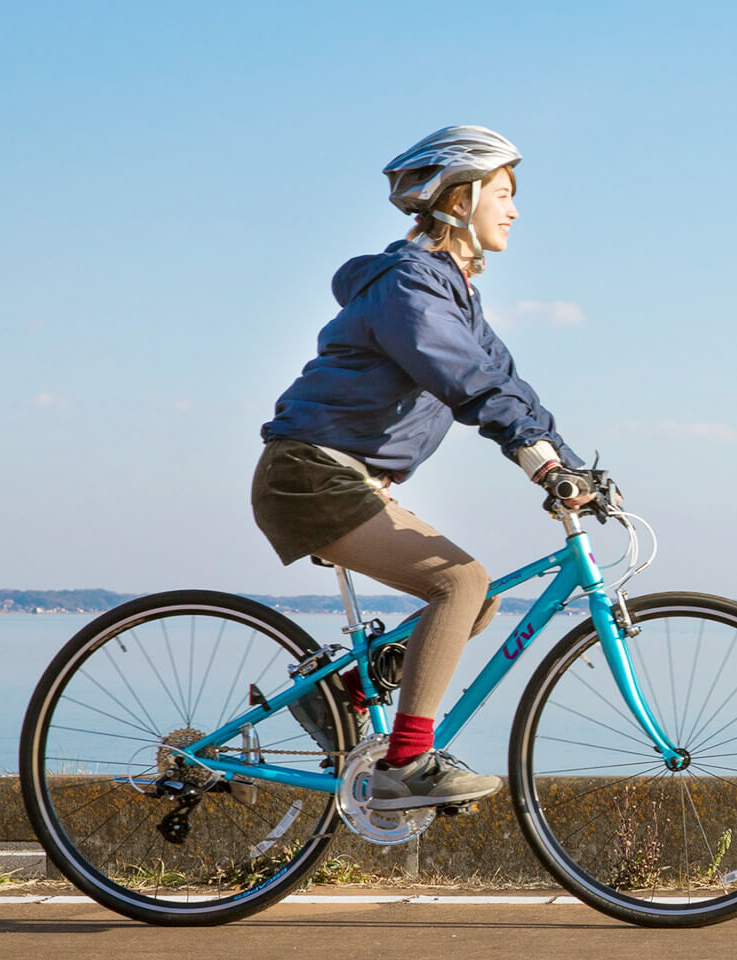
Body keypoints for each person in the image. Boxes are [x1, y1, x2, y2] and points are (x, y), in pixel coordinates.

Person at [253, 125, 598, 809]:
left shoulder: (448, 290)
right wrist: (534, 460)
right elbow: (465, 378)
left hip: (341, 478)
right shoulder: (411, 287)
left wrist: (570, 464)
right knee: (460, 583)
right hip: (309, 477)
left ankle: (344, 695)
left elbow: (505, 381)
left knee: (480, 599)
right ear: (459, 199)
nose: (515, 209)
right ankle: (404, 766)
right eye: (502, 193)